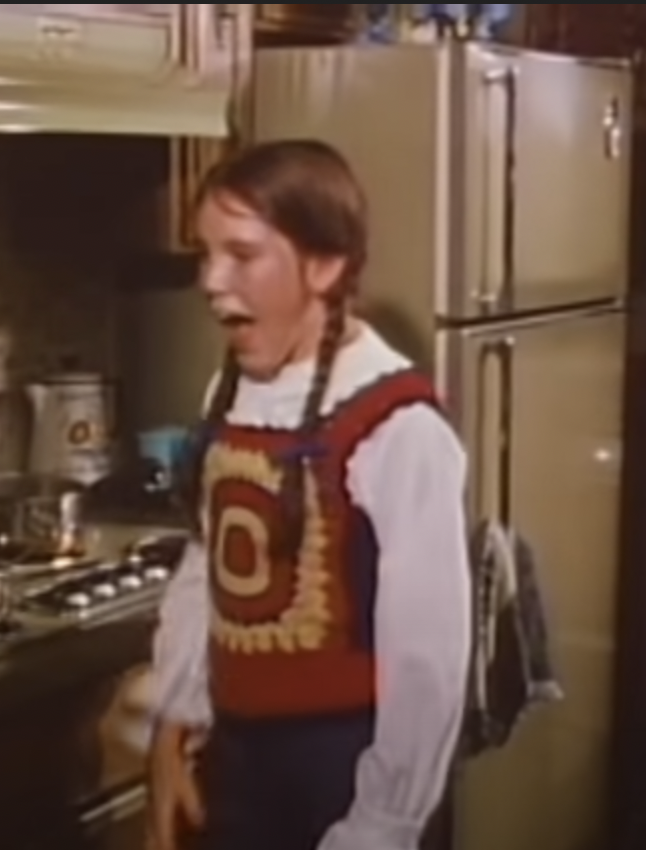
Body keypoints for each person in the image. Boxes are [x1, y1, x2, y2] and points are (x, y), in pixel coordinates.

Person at [147, 138, 472, 850]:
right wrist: (174, 728)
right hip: (235, 759)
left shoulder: (397, 425)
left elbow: (429, 655)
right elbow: (208, 569)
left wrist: (382, 824)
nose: (210, 279)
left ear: (324, 266)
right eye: (206, 254)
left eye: (241, 253)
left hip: (343, 774)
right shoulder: (229, 389)